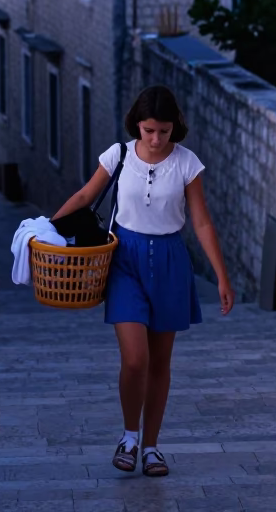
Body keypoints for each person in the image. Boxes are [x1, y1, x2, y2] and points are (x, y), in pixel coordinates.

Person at [51, 85, 234, 478]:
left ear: (174, 128)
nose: (155, 139)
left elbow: (201, 221)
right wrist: (46, 230)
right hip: (124, 260)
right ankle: (128, 436)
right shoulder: (117, 155)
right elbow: (85, 195)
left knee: (160, 362)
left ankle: (151, 447)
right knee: (136, 359)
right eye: (149, 130)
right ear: (137, 123)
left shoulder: (187, 163)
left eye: (163, 131)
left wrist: (221, 275)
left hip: (170, 261)